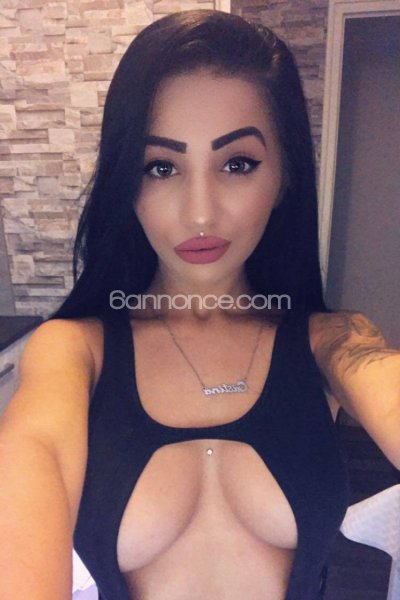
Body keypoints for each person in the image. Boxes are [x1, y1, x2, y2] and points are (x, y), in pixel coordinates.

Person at [0, 9, 399, 600]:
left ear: (285, 175)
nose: (201, 212)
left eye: (237, 164)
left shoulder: (331, 341)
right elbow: (31, 465)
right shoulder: (74, 351)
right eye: (161, 167)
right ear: (126, 183)